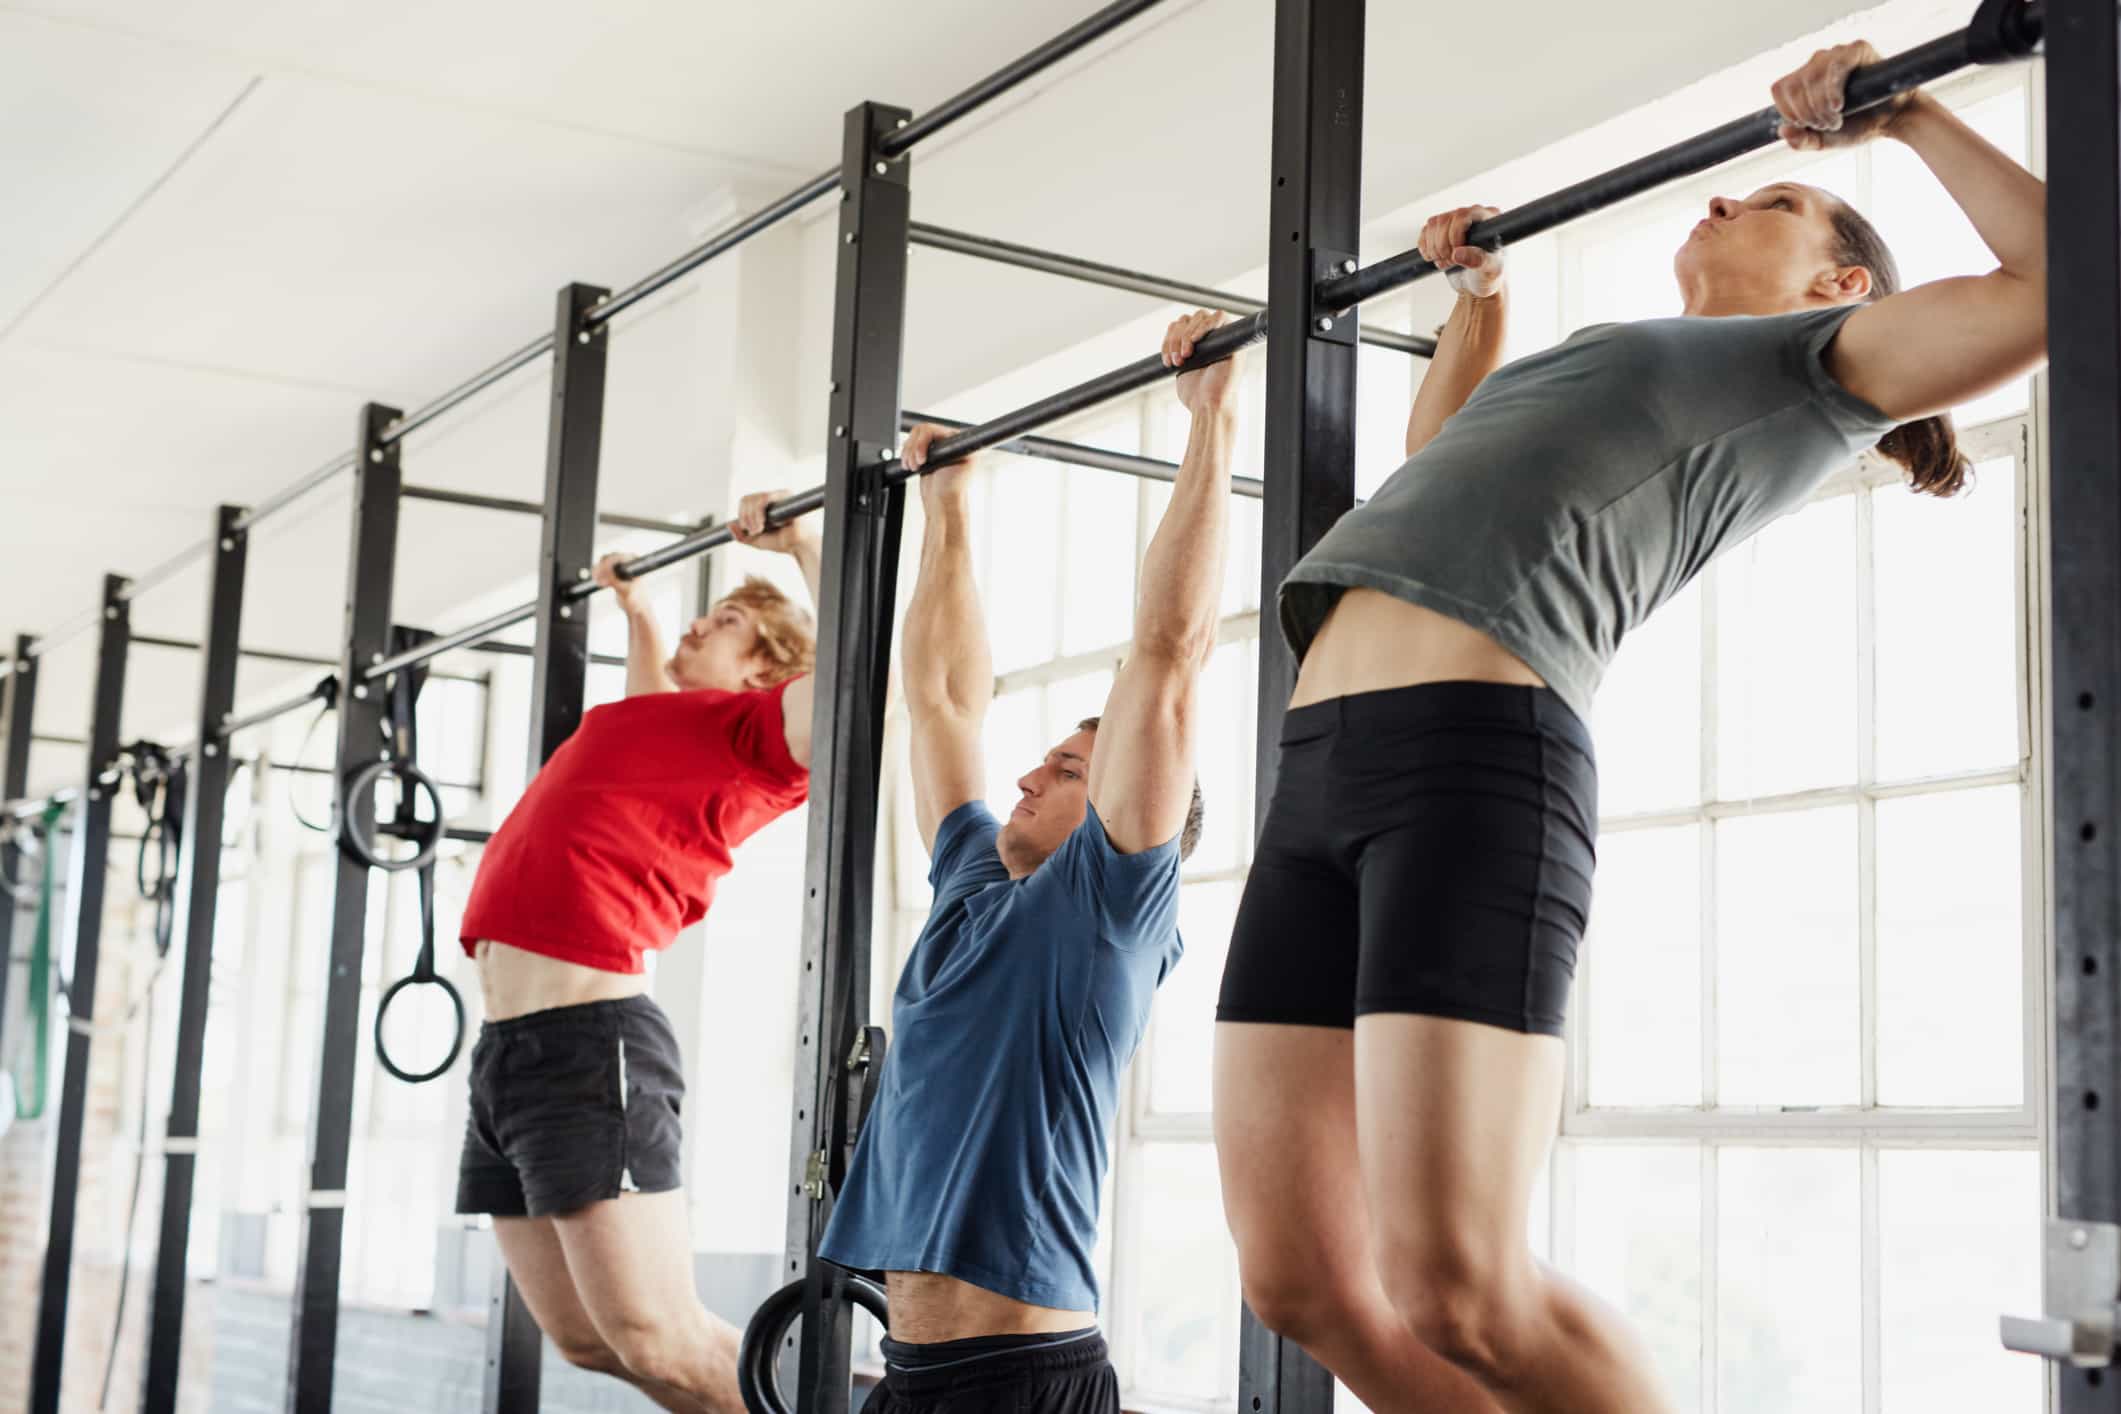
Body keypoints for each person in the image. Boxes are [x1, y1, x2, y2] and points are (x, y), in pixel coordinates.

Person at [1214, 43, 2047, 1414]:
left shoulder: (1813, 363)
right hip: (1316, 773)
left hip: (1468, 758)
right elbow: (1436, 461)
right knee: (1300, 1282)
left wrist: (1908, 117)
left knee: (1458, 1286)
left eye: (1770, 205)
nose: (1721, 203)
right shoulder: (1608, 356)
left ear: (1842, 282)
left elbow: (2059, 283)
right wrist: (1477, 297)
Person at [818, 310, 1237, 1414]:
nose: (1024, 779)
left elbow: (1169, 656)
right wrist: (947, 504)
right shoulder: (972, 886)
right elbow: (944, 699)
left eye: (1061, 766)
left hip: (1015, 1382)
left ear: (1123, 801)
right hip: (907, 1372)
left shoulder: (1107, 907)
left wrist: (1210, 424)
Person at [451, 492, 822, 1414]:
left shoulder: (753, 741)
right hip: (507, 1054)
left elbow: (857, 676)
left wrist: (807, 545)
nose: (704, 621)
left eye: (729, 621)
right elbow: (652, 683)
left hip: (588, 1040)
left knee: (662, 1338)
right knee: (585, 1340)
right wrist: (639, 612)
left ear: (766, 672)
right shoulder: (662, 722)